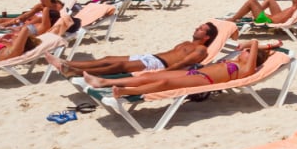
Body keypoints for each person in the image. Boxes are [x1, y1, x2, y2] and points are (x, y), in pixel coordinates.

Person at [81, 39, 278, 98]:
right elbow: (242, 46)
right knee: (152, 74)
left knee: (165, 82)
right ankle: (105, 81)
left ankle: (125, 91)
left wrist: (258, 45)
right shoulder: (234, 62)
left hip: (204, 80)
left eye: (245, 52)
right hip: (195, 72)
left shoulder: (246, 70)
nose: (240, 52)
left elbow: (251, 43)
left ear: (252, 56)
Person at [45, 22, 220, 76]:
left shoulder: (201, 50)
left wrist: (162, 72)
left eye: (201, 29)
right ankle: (67, 63)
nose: (196, 28)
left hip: (158, 64)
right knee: (108, 58)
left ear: (206, 37)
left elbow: (184, 62)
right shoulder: (186, 42)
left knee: (119, 67)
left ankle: (74, 71)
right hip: (150, 57)